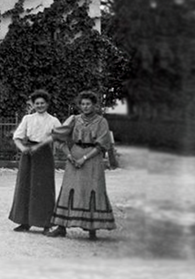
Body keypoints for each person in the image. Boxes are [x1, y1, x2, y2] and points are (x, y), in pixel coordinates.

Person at [46, 90, 117, 240]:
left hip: (92, 158)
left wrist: (84, 158)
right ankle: (61, 226)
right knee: (69, 189)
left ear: (94, 105)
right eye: (83, 104)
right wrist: (69, 155)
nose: (85, 107)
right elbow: (58, 136)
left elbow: (102, 145)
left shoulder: (101, 121)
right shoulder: (74, 119)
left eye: (88, 104)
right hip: (74, 157)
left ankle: (92, 229)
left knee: (92, 189)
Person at [8, 90, 61, 233]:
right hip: (29, 154)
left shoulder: (53, 121)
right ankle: (25, 222)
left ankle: (46, 224)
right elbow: (17, 137)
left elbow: (58, 136)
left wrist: (41, 145)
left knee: (44, 188)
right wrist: (23, 149)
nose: (39, 106)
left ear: (47, 104)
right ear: (33, 104)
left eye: (42, 103)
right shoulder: (27, 119)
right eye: (37, 103)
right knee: (25, 186)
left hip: (44, 154)